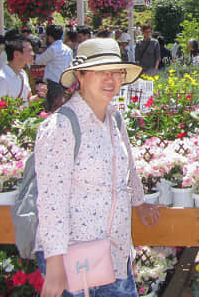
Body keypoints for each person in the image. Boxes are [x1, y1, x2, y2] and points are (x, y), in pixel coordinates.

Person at [34, 38, 161, 297]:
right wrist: (55, 265)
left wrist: (138, 202)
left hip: (115, 253)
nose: (111, 79)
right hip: (77, 258)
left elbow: (128, 169)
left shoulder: (115, 118)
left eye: (116, 72)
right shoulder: (61, 127)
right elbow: (51, 201)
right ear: (79, 75)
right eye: (101, 72)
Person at [0, 37, 46, 104]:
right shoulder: (2, 78)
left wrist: (39, 95)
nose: (33, 54)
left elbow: (28, 100)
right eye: (29, 50)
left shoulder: (23, 74)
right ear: (16, 54)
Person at [34, 25, 72, 111]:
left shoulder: (53, 49)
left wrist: (41, 47)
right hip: (65, 82)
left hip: (54, 83)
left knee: (52, 108)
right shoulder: (68, 49)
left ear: (50, 37)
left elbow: (39, 61)